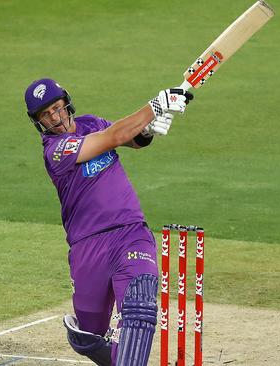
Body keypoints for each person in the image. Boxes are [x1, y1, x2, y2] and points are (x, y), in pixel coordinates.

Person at [23, 78, 193, 366]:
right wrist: (154, 106)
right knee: (90, 335)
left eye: (57, 107)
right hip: (87, 247)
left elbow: (130, 139)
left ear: (66, 103)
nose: (55, 117)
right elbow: (113, 137)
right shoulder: (55, 150)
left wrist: (147, 131)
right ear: (39, 122)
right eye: (46, 114)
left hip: (130, 232)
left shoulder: (92, 123)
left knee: (139, 310)